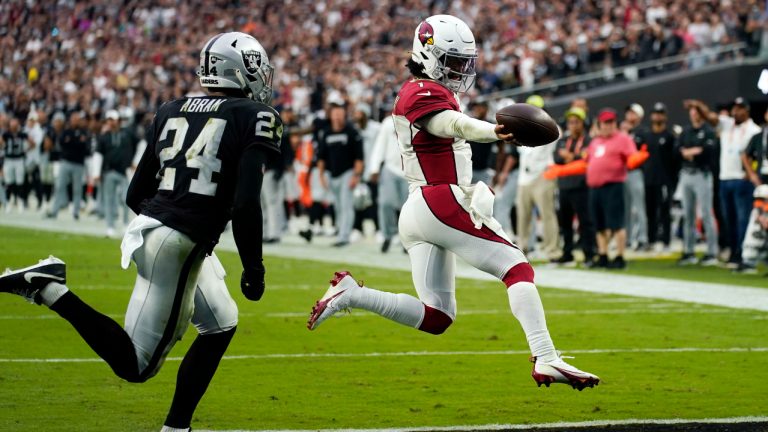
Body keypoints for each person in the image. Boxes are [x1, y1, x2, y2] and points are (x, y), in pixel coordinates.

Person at [0, 32, 282, 431]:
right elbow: (246, 203)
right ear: (241, 70)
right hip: (178, 240)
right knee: (136, 365)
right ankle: (49, 288)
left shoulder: (172, 108)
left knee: (221, 323)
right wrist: (253, 268)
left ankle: (176, 426)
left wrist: (181, 232)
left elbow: (136, 192)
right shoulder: (255, 116)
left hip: (159, 229)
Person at [307, 15, 599, 390]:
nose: (460, 70)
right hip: (439, 198)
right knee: (518, 269)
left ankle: (355, 294)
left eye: (464, 62)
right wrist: (493, 132)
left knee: (437, 317)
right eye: (452, 61)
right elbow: (452, 125)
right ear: (427, 54)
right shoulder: (420, 91)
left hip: (419, 210)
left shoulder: (426, 89)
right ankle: (545, 356)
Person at [717, 97, 761, 268]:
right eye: (735, 108)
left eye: (740, 108)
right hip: (725, 178)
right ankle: (734, 253)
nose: (737, 111)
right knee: (729, 219)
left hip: (741, 180)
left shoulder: (754, 130)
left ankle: (744, 255)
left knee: (743, 219)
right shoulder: (727, 126)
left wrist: (750, 173)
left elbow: (756, 155)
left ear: (747, 110)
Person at [315, 102, 365, 247]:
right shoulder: (326, 132)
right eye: (334, 113)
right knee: (337, 206)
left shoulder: (352, 132)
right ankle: (340, 232)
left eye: (340, 113)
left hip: (347, 173)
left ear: (344, 115)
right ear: (330, 115)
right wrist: (321, 175)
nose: (337, 116)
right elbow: (321, 157)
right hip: (332, 174)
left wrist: (356, 176)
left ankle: (344, 236)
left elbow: (359, 157)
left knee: (346, 205)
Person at [677, 100, 719, 266]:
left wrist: (692, 152)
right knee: (687, 214)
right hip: (687, 173)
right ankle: (689, 251)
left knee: (707, 213)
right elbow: (678, 149)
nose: (693, 114)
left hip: (702, 174)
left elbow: (708, 151)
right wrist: (693, 151)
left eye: (696, 111)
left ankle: (711, 252)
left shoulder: (708, 131)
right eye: (691, 112)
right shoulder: (686, 131)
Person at [552, 106, 595, 266]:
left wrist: (570, 156)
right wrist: (576, 158)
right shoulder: (563, 140)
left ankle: (589, 253)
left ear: (583, 123)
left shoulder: (589, 140)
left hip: (582, 186)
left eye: (576, 122)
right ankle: (567, 253)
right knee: (565, 223)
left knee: (585, 222)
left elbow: (587, 158)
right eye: (570, 122)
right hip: (564, 185)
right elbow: (557, 158)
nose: (573, 125)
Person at [637, 102, 679, 253]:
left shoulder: (670, 136)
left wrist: (673, 181)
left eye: (660, 113)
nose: (657, 116)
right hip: (648, 179)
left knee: (664, 212)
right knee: (650, 211)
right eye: (655, 113)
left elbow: (675, 160)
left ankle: (666, 241)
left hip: (664, 180)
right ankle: (651, 240)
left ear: (665, 116)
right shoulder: (646, 135)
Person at [95, 109, 139, 238]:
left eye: (112, 119)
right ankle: (110, 226)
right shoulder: (104, 136)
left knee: (126, 198)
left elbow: (140, 144)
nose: (110, 122)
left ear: (118, 121)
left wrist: (134, 161)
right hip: (108, 171)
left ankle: (125, 223)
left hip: (124, 171)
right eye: (108, 120)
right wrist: (96, 172)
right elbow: (98, 154)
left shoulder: (127, 134)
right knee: (109, 200)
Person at [369, 111, 408, 253]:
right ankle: (387, 235)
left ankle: (406, 240)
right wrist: (374, 167)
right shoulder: (388, 122)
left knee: (408, 210)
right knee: (385, 203)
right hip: (390, 168)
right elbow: (380, 145)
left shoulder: (418, 121)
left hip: (410, 172)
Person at [46, 111, 90, 220]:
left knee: (77, 189)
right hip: (66, 162)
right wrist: (77, 143)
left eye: (77, 119)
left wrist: (72, 142)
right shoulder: (66, 131)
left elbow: (85, 147)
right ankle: (54, 210)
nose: (75, 121)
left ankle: (75, 212)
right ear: (70, 120)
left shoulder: (84, 132)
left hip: (78, 164)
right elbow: (62, 143)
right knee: (59, 186)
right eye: (73, 119)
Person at [622, 103, 649, 251]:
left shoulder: (643, 132)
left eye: (633, 113)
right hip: (622, 172)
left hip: (635, 172)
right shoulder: (622, 132)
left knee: (639, 207)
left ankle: (642, 239)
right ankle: (626, 239)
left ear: (639, 116)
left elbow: (635, 152)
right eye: (628, 113)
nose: (630, 116)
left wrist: (626, 135)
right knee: (625, 208)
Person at [0, 117, 35, 212]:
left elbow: (32, 143)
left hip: (19, 159)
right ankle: (8, 202)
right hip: (9, 159)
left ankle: (20, 201)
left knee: (20, 182)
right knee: (9, 182)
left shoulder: (22, 134)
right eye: (13, 125)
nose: (14, 127)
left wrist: (26, 151)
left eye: (15, 125)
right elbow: (1, 143)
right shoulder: (6, 134)